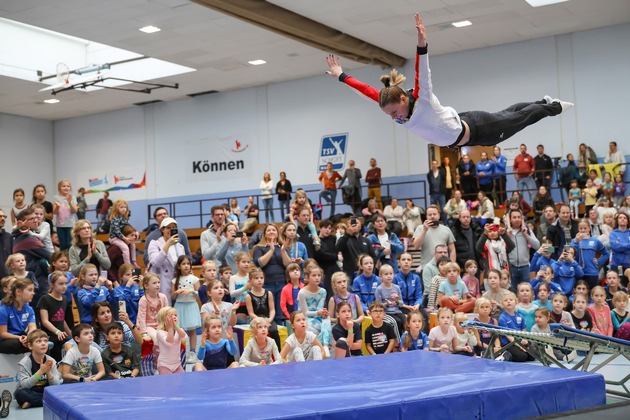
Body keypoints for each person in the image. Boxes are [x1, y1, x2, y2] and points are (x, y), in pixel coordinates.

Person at [326, 13, 572, 150]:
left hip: (477, 129)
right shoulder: (393, 105)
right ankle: (543, 101)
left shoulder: (422, 99)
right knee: (509, 114)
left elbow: (424, 71)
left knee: (520, 119)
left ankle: (555, 107)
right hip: (466, 126)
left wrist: (422, 43)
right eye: (389, 114)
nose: (393, 117)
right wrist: (341, 76)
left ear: (403, 99)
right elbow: (367, 91)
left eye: (393, 111)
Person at [14, 330, 62, 411]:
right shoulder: (25, 362)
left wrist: (48, 372)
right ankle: (51, 402)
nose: (43, 343)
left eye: (45, 341)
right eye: (38, 341)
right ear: (30, 346)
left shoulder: (51, 361)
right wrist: (40, 372)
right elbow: (25, 385)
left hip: (47, 391)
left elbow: (56, 385)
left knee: (61, 389)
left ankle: (32, 402)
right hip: (31, 392)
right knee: (19, 393)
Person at [253, 224, 290, 325]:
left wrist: (282, 251)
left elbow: (287, 264)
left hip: (282, 284)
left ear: (278, 233)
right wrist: (271, 250)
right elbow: (260, 263)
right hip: (267, 284)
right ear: (265, 234)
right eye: (268, 230)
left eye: (274, 230)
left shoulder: (283, 247)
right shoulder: (259, 248)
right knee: (269, 314)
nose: (271, 232)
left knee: (279, 314)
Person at [136, 273, 169, 377]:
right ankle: (157, 365)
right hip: (148, 325)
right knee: (156, 337)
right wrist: (143, 333)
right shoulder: (143, 300)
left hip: (160, 324)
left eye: (158, 282)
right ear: (146, 286)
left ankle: (169, 362)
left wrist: (168, 327)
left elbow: (166, 312)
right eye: (154, 283)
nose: (157, 285)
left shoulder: (163, 297)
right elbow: (141, 317)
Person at [147, 217, 186, 304]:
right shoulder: (154, 244)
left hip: (177, 284)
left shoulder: (180, 247)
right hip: (162, 283)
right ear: (162, 230)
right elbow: (155, 262)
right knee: (164, 311)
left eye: (174, 228)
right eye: (168, 228)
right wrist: (168, 244)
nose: (171, 230)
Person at [170, 255, 201, 364]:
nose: (186, 266)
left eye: (188, 264)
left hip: (191, 305)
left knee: (192, 331)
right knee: (179, 330)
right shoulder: (174, 280)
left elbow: (199, 293)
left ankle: (192, 352)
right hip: (179, 306)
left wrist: (191, 291)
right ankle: (180, 352)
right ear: (179, 266)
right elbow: (172, 296)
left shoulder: (194, 279)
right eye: (183, 264)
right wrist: (176, 292)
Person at [37, 271, 72, 361]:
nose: (64, 286)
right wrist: (57, 332)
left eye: (66, 283)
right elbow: (45, 321)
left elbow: (61, 319)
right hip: (50, 335)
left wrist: (71, 334)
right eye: (60, 284)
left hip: (61, 335)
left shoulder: (64, 299)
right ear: (52, 284)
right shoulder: (45, 299)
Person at [297, 264, 331, 355]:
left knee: (327, 320)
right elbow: (305, 312)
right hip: (305, 316)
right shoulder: (302, 293)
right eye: (314, 275)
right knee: (313, 327)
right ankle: (318, 347)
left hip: (317, 315)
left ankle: (326, 346)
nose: (317, 278)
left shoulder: (323, 291)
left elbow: (320, 307)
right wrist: (318, 312)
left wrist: (323, 312)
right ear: (307, 277)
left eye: (319, 275)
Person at [246, 268, 281, 349]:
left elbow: (272, 309)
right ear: (250, 281)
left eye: (261, 278)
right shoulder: (248, 296)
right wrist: (260, 321)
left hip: (268, 319)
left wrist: (270, 319)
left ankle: (279, 353)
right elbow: (251, 313)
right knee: (257, 332)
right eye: (256, 278)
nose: (259, 280)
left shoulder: (268, 293)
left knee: (274, 331)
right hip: (256, 320)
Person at [145, 307, 186, 374]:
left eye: (175, 315)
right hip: (164, 365)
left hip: (177, 364)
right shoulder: (160, 333)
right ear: (163, 319)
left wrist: (176, 327)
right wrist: (170, 328)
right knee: (169, 382)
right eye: (171, 315)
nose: (174, 317)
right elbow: (169, 342)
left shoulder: (179, 331)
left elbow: (184, 337)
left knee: (183, 381)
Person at [0, 278, 36, 354]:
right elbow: (3, 334)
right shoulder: (3, 310)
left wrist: (28, 338)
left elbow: (33, 327)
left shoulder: (29, 309)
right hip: (6, 340)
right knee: (18, 344)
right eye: (30, 290)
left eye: (33, 290)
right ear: (18, 292)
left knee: (41, 344)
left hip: (22, 337)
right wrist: (19, 337)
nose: (33, 293)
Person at [505, 209, 540, 287]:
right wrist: (507, 236)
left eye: (519, 217)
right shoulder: (505, 231)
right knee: (513, 292)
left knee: (525, 291)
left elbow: (537, 245)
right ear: (510, 219)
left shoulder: (527, 230)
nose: (517, 219)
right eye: (514, 217)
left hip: (525, 267)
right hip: (511, 267)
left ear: (522, 219)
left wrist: (526, 235)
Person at [571, 219, 609, 289]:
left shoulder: (595, 241)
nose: (583, 230)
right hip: (578, 272)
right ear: (578, 229)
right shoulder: (574, 241)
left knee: (592, 294)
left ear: (589, 229)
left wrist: (598, 261)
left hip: (592, 273)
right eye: (581, 228)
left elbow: (606, 254)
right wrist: (576, 242)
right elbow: (572, 255)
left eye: (585, 228)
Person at [375, 264, 405, 336]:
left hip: (397, 311)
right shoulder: (379, 289)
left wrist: (397, 301)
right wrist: (387, 304)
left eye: (391, 274)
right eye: (386, 274)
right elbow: (378, 306)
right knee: (396, 322)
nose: (389, 276)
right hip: (386, 312)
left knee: (405, 321)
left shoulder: (397, 288)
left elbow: (401, 303)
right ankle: (398, 342)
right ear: (380, 276)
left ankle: (406, 340)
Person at [314, 219, 340, 298]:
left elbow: (335, 251)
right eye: (325, 228)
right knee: (327, 291)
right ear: (320, 228)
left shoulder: (332, 238)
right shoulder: (317, 240)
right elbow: (321, 255)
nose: (327, 230)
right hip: (323, 268)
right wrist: (336, 257)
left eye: (329, 228)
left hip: (333, 267)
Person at [108, 200, 137, 266]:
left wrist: (136, 232)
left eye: (125, 207)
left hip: (121, 238)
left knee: (133, 244)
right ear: (116, 208)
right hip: (114, 238)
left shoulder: (123, 218)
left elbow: (128, 225)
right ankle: (128, 265)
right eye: (121, 207)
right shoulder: (115, 218)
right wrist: (124, 238)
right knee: (125, 248)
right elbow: (117, 231)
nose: (124, 209)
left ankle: (133, 261)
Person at [52, 180, 78, 251]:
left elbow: (75, 211)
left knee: (70, 244)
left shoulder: (72, 197)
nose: (66, 188)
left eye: (68, 186)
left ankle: (70, 259)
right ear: (59, 188)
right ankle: (63, 259)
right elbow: (54, 212)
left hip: (70, 224)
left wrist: (69, 202)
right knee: (63, 245)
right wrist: (57, 206)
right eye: (64, 186)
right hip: (60, 225)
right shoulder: (56, 197)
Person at [228, 253, 251, 322]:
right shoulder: (233, 278)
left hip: (251, 304)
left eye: (248, 262)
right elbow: (232, 294)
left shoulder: (251, 276)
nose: (246, 264)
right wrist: (245, 288)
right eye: (243, 262)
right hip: (240, 305)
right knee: (242, 326)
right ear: (237, 263)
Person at [610, 212, 630, 285]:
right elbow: (615, 247)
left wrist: (620, 245)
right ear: (617, 221)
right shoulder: (613, 234)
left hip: (629, 264)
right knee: (619, 285)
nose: (622, 219)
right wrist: (628, 245)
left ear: (628, 221)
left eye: (625, 218)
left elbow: (618, 246)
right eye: (620, 218)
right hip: (618, 265)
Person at [0, 210, 12, 279]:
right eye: (0, 216)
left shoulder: (8, 236)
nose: (3, 218)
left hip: (7, 279)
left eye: (4, 216)